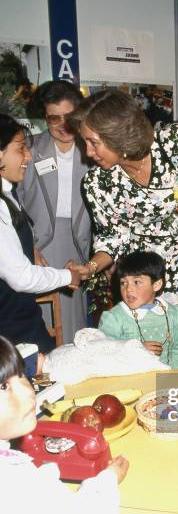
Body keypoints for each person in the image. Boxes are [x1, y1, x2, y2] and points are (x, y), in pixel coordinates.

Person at [68, 89, 178, 362]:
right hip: (140, 270)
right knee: (141, 335)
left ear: (118, 134)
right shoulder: (98, 183)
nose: (87, 153)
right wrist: (88, 268)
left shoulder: (175, 141)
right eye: (84, 143)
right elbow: (112, 238)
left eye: (93, 142)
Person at [0, 335, 130, 514]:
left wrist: (42, 477)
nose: (27, 391)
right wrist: (106, 481)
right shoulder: (14, 483)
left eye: (21, 376)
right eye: (4, 387)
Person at [0, 114, 80, 353]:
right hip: (11, 332)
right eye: (20, 149)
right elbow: (21, 278)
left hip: (20, 321)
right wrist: (68, 277)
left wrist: (28, 249)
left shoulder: (7, 192)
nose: (28, 156)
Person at [20, 80, 91, 344]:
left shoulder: (93, 149)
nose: (63, 125)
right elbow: (13, 201)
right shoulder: (28, 149)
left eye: (69, 117)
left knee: (73, 323)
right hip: (37, 243)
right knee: (39, 319)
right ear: (44, 118)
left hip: (79, 243)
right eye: (54, 119)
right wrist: (27, 246)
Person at [99, 250, 178, 370]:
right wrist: (134, 349)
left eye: (137, 282)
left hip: (165, 378)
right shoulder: (115, 317)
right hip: (130, 378)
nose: (128, 289)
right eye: (123, 283)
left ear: (156, 285)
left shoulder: (174, 313)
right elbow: (104, 353)